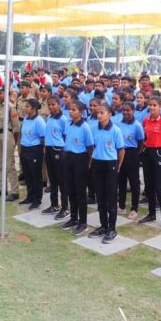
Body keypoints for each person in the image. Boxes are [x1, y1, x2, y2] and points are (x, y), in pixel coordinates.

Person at [87, 103, 125, 244]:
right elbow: (92, 147)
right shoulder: (93, 129)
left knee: (110, 198)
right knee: (100, 197)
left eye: (102, 112)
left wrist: (118, 166)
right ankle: (103, 226)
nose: (99, 115)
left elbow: (121, 151)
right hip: (97, 163)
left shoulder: (115, 130)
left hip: (110, 165)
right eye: (97, 113)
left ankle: (112, 229)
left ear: (109, 114)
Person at [61, 100, 94, 235]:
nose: (70, 111)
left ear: (81, 112)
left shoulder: (85, 127)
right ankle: (73, 218)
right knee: (71, 190)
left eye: (74, 110)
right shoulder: (69, 124)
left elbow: (90, 146)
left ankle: (83, 222)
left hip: (80, 159)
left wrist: (89, 163)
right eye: (70, 109)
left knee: (80, 192)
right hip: (68, 157)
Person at [139, 97, 161, 229]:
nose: (152, 107)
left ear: (160, 107)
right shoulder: (145, 120)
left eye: (155, 105)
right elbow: (145, 137)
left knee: (160, 188)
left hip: (159, 154)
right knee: (149, 186)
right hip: (147, 153)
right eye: (150, 105)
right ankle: (151, 213)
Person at [0, 87, 19, 200]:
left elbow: (16, 127)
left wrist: (13, 141)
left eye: (1, 93)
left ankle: (15, 191)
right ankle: (2, 188)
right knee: (0, 163)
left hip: (8, 134)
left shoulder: (10, 107)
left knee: (10, 164)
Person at [116, 103, 144, 220]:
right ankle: (121, 206)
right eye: (124, 110)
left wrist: (134, 155)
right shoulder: (119, 123)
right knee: (121, 180)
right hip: (120, 153)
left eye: (128, 110)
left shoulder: (137, 125)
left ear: (133, 111)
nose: (126, 113)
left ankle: (134, 208)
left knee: (134, 182)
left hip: (132, 154)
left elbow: (141, 143)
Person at [43, 96, 69, 217]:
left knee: (62, 180)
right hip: (48, 149)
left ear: (59, 105)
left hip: (58, 150)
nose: (51, 107)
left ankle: (65, 208)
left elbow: (65, 136)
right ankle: (54, 205)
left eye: (53, 104)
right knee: (52, 179)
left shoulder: (63, 119)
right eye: (49, 105)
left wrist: (61, 149)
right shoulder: (49, 117)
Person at [19, 99, 46, 210]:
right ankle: (29, 196)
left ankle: (37, 199)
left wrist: (40, 151)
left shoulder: (39, 121)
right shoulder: (25, 119)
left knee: (36, 176)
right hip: (24, 148)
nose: (25, 108)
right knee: (28, 175)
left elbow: (43, 137)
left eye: (27, 106)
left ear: (34, 109)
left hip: (34, 150)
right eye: (25, 106)